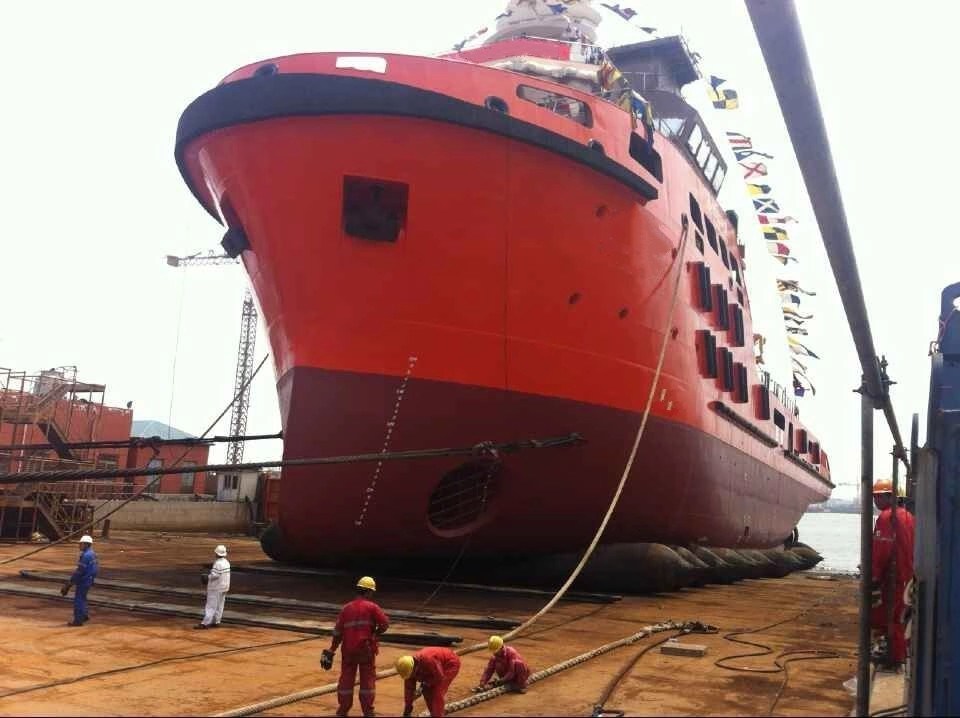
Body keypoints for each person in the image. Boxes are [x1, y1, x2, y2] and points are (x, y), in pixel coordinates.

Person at [325, 576, 389, 717]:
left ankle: (343, 709)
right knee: (367, 682)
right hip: (366, 650)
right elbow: (385, 624)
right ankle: (368, 711)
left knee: (346, 680)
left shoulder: (346, 608)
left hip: (348, 650)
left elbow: (337, 632)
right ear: (369, 592)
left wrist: (332, 649)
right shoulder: (372, 607)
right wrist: (375, 634)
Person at [870, 479, 915, 668]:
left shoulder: (886, 517)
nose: (875, 501)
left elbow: (881, 550)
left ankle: (894, 658)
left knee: (888, 617)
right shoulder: (909, 516)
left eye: (878, 497)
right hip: (907, 576)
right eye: (874, 497)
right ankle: (899, 653)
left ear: (890, 497)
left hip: (892, 577)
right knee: (900, 616)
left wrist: (873, 577)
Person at [396, 647, 461, 717]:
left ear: (414, 668)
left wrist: (424, 684)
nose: (410, 677)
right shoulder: (408, 670)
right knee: (426, 690)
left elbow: (439, 677)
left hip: (449, 664)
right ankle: (434, 713)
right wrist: (407, 710)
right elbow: (409, 691)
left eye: (411, 675)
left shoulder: (428, 660)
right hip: (432, 670)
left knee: (437, 691)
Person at [60, 534, 98, 626]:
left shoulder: (86, 556)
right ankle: (84, 615)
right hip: (89, 579)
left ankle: (78, 620)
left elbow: (79, 572)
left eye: (81, 544)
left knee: (79, 599)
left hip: (84, 580)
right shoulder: (93, 554)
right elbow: (95, 569)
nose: (79, 545)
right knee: (83, 597)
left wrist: (69, 584)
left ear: (86, 544)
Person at [195, 544, 230, 629]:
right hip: (224, 587)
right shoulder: (226, 562)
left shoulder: (218, 563)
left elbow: (215, 575)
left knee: (211, 605)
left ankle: (205, 623)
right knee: (220, 605)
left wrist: (207, 577)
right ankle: (216, 621)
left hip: (216, 588)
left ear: (217, 553)